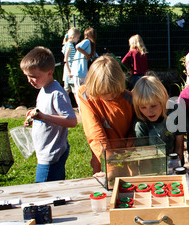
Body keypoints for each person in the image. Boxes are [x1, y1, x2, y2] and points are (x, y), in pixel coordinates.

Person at [21, 46, 77, 182]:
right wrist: (34, 117)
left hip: (51, 154)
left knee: (43, 190)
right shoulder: (44, 89)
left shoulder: (57, 93)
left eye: (34, 76)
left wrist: (43, 117)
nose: (30, 80)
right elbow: (46, 113)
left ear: (49, 72)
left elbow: (71, 121)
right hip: (45, 150)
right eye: (27, 76)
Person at [77, 54, 134, 174]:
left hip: (128, 159)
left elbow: (135, 130)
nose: (109, 96)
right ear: (93, 86)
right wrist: (109, 162)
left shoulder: (130, 99)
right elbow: (95, 131)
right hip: (103, 159)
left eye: (114, 93)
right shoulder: (85, 95)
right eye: (104, 93)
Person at [132, 74, 184, 163]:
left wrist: (176, 166)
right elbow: (143, 157)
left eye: (153, 106)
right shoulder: (140, 124)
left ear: (163, 100)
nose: (149, 111)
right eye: (143, 107)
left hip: (174, 164)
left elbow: (179, 146)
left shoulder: (176, 111)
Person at [72, 27, 97, 106]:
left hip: (84, 72)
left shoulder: (91, 45)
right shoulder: (87, 41)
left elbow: (95, 56)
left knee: (85, 91)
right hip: (79, 71)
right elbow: (77, 47)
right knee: (80, 91)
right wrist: (86, 54)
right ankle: (81, 109)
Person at [61, 27, 81, 97]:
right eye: (77, 37)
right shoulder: (69, 45)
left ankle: (64, 105)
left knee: (67, 89)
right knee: (74, 89)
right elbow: (66, 59)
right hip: (70, 70)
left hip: (68, 70)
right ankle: (79, 106)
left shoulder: (67, 44)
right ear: (73, 37)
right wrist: (69, 71)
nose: (78, 39)